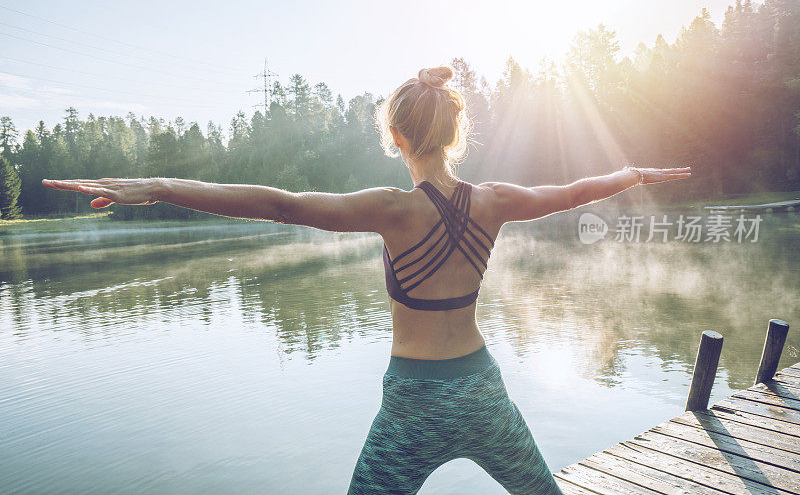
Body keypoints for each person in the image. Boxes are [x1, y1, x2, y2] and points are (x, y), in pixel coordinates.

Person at [42, 66, 691, 494]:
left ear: (396, 138)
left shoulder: (391, 207)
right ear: (457, 133)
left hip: (411, 403)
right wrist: (631, 175)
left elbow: (280, 202)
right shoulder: (492, 199)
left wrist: (160, 187)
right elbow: (571, 191)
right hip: (483, 392)